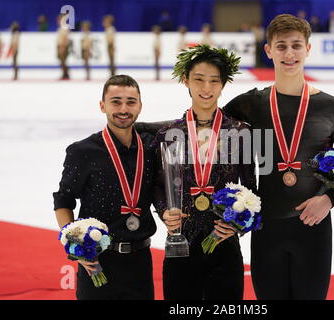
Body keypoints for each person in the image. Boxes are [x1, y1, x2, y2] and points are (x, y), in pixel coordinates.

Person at [222, 14, 334, 299]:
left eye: (296, 46)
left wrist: (328, 200)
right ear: (268, 50)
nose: (289, 54)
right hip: (267, 228)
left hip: (314, 228)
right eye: (281, 46)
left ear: (308, 49)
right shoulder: (252, 103)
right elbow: (209, 126)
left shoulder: (332, 108)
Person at [151, 45, 256, 300]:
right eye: (199, 79)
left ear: (223, 85)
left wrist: (239, 224)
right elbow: (155, 184)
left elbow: (252, 189)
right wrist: (165, 210)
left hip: (224, 242)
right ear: (185, 80)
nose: (206, 88)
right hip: (180, 243)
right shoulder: (168, 135)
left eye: (214, 81)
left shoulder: (240, 133)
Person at [53, 75, 157, 300]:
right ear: (103, 106)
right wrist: (75, 245)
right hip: (98, 261)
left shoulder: (150, 148)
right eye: (116, 101)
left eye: (131, 102)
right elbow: (63, 201)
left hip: (141, 261)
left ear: (140, 106)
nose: (123, 108)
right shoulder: (83, 151)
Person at [56, 13, 70, 80]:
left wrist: (62, 47)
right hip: (60, 46)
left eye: (59, 19)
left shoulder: (64, 27)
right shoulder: (61, 28)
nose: (57, 21)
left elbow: (64, 38)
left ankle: (66, 74)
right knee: (62, 61)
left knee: (63, 61)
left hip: (63, 46)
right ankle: (65, 74)